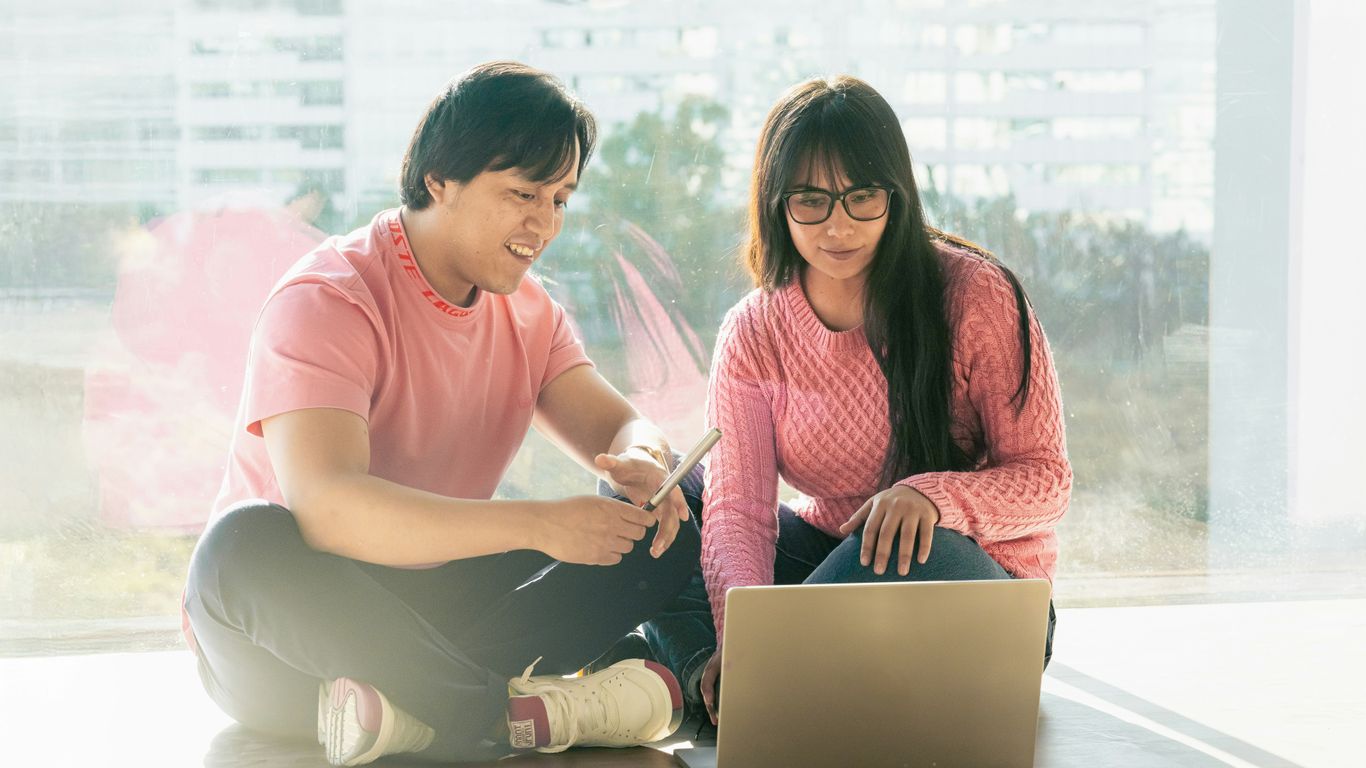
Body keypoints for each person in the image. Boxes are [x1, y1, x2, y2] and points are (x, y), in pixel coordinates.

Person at [181, 61, 698, 766]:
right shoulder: (331, 298)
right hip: (296, 631)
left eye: (561, 199)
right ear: (440, 181)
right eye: (522, 193)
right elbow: (329, 511)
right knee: (236, 549)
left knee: (672, 512)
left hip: (432, 616)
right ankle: (514, 710)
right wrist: (543, 524)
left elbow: (620, 427)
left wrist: (645, 458)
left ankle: (420, 712)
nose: (544, 223)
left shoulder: (530, 312)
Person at [649, 75, 1072, 725]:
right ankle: (721, 672)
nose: (838, 226)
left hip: (970, 587)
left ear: (895, 197)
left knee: (918, 544)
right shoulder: (755, 328)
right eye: (811, 201)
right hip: (830, 561)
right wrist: (741, 633)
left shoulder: (974, 296)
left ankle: (745, 687)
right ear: (777, 203)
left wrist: (933, 499)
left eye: (861, 197)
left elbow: (1047, 481)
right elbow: (739, 509)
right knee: (660, 499)